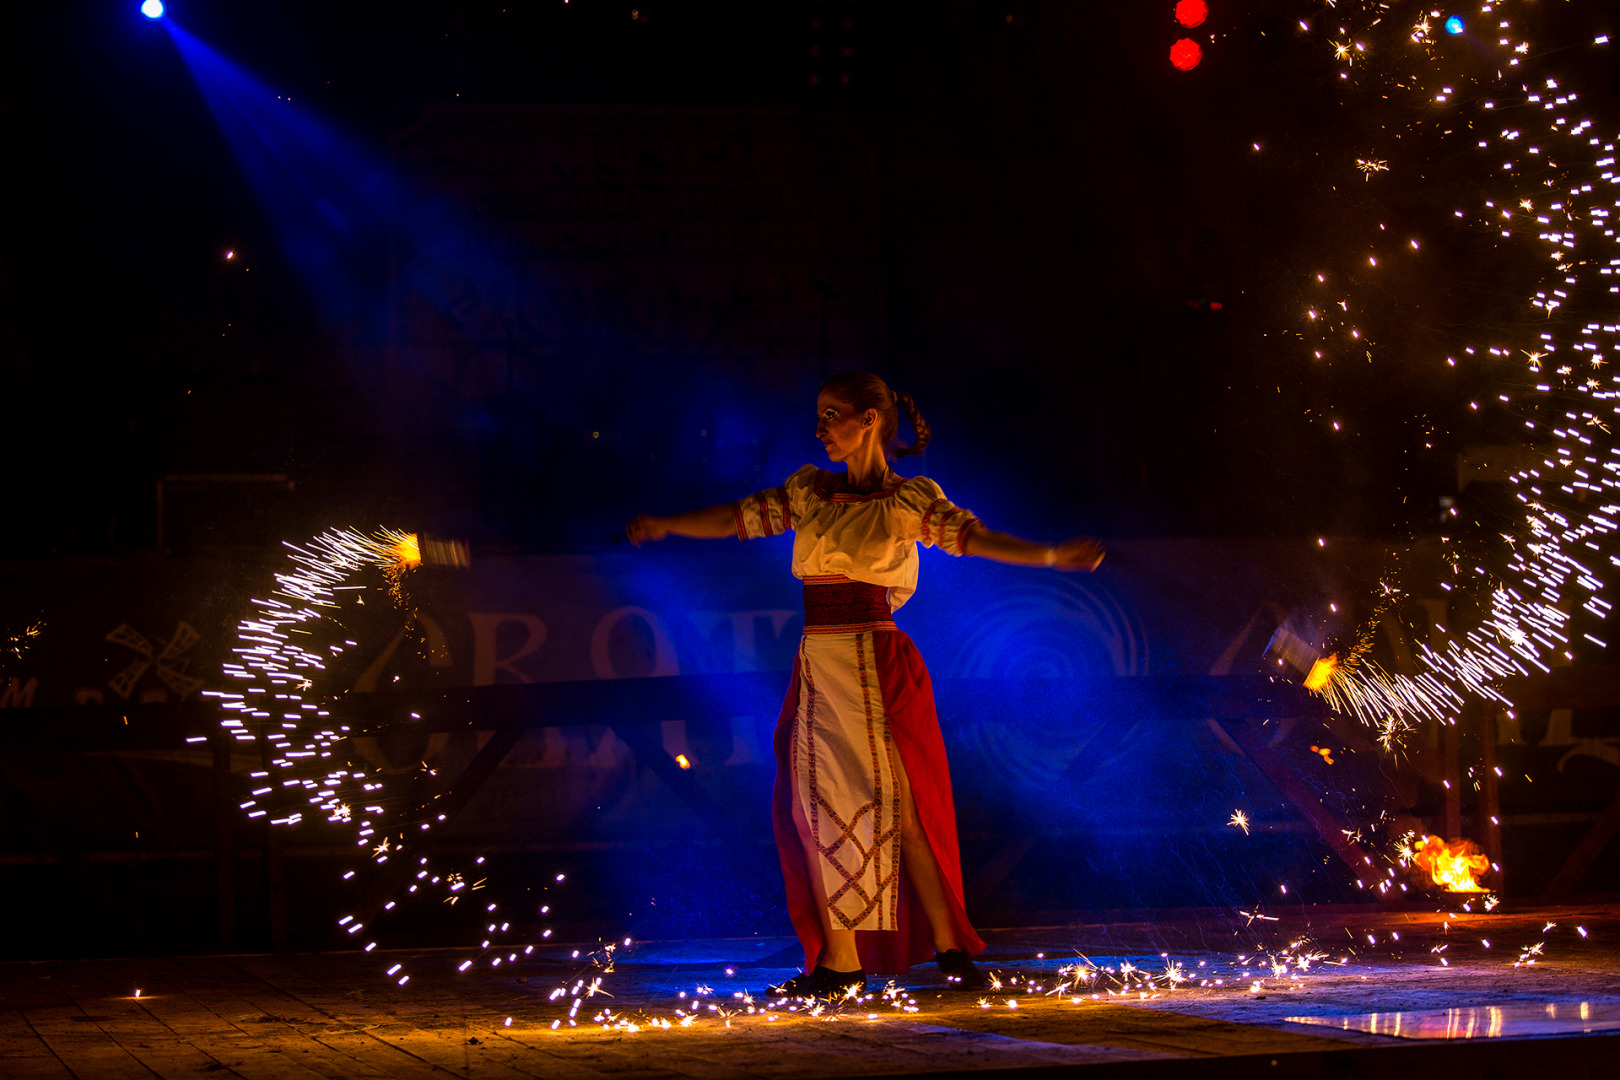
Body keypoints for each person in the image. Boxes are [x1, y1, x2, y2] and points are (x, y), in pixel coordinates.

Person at [626, 372, 1103, 998]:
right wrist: (667, 524)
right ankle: (841, 963)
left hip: (876, 660)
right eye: (819, 416)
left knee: (901, 809)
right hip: (819, 662)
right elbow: (738, 518)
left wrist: (1048, 557)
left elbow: (972, 537)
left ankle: (951, 948)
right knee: (814, 810)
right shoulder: (811, 493)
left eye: (832, 415)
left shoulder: (906, 501)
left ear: (870, 419)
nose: (821, 428)